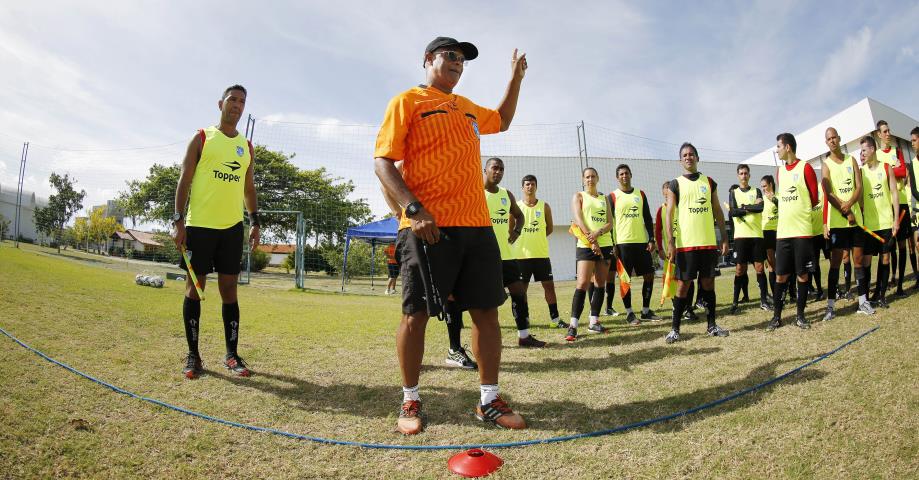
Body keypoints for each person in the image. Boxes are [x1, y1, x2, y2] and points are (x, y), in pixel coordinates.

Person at [374, 36, 528, 434]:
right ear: (429, 59)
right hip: (427, 228)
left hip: (476, 227)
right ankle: (410, 398)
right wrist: (413, 210)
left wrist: (515, 79)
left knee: (486, 313)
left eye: (462, 59)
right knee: (416, 315)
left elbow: (502, 120)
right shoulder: (407, 101)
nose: (458, 62)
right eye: (451, 55)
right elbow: (383, 162)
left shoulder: (467, 107)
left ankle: (489, 400)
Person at [172, 84, 260, 379]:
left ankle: (232, 355)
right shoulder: (202, 138)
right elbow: (184, 180)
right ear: (220, 104)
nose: (237, 105)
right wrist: (177, 220)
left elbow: (249, 189)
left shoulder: (246, 147)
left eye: (242, 101)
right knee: (195, 289)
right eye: (232, 99)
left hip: (232, 229)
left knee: (230, 291)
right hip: (199, 226)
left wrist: (255, 221)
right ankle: (193, 356)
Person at [664, 143, 730, 344]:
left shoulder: (709, 182)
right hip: (686, 245)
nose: (688, 157)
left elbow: (717, 210)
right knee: (683, 286)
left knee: (708, 284)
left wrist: (724, 237)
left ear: (697, 158)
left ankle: (712, 325)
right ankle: (675, 329)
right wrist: (670, 242)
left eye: (691, 154)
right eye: (684, 155)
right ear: (680, 160)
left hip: (708, 243)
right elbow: (669, 214)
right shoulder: (675, 184)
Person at [483, 158, 547, 348]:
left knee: (519, 293)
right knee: (488, 301)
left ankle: (524, 337)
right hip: (485, 257)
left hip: (508, 256)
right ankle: (489, 340)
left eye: (501, 169)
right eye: (494, 168)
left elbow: (519, 216)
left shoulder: (506, 194)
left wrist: (517, 231)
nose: (498, 172)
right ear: (485, 170)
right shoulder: (476, 193)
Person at [768, 133, 820, 331]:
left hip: (802, 232)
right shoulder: (780, 172)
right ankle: (776, 317)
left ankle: (800, 316)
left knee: (802, 275)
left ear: (788, 147)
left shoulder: (805, 167)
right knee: (780, 276)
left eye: (779, 146)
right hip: (783, 233)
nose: (777, 150)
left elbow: (813, 198)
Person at [566, 167, 615, 341]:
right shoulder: (578, 196)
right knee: (582, 283)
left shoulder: (604, 198)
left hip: (605, 243)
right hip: (586, 245)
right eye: (587, 177)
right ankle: (573, 326)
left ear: (598, 178)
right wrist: (591, 240)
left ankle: (594, 321)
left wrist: (598, 233)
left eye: (593, 176)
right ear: (583, 179)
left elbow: (609, 223)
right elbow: (578, 219)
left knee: (600, 283)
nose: (590, 179)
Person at [820, 127, 863, 320]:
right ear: (826, 142)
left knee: (858, 261)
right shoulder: (826, 165)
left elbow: (859, 186)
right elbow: (829, 194)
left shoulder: (851, 160)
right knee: (835, 264)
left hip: (856, 221)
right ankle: (830, 307)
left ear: (839, 138)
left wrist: (851, 205)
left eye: (834, 137)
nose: (832, 141)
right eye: (829, 139)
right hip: (838, 222)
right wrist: (846, 212)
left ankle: (863, 302)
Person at [514, 174, 568, 328]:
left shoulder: (544, 206)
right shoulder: (516, 207)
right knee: (522, 290)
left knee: (549, 286)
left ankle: (555, 320)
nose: (530, 187)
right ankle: (525, 319)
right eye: (527, 184)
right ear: (522, 187)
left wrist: (536, 238)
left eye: (532, 184)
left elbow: (549, 228)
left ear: (536, 186)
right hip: (522, 256)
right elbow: (511, 229)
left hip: (541, 255)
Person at [609, 164, 659, 325]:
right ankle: (630, 313)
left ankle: (645, 311)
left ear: (631, 175)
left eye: (626, 173)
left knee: (649, 275)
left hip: (641, 243)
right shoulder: (612, 196)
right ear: (617, 178)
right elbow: (609, 223)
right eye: (621, 174)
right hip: (623, 244)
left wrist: (651, 239)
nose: (624, 176)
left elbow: (647, 217)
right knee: (625, 279)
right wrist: (613, 244)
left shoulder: (640, 194)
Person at [858, 135, 900, 309]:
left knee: (885, 258)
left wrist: (896, 220)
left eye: (864, 150)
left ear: (872, 149)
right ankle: (866, 297)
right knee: (866, 261)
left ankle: (881, 295)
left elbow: (894, 193)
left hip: (886, 223)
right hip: (869, 226)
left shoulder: (886, 167)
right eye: (861, 151)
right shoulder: (861, 172)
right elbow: (860, 198)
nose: (862, 154)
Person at [876, 120, 916, 296]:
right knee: (888, 247)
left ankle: (900, 286)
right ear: (878, 134)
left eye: (889, 130)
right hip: (887, 205)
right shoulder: (877, 155)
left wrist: (892, 170)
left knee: (903, 245)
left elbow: (903, 172)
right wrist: (894, 169)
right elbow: (883, 176)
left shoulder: (897, 151)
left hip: (902, 203)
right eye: (884, 131)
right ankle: (888, 280)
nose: (888, 134)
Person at [727, 164, 768, 313]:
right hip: (741, 236)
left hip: (756, 235)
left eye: (746, 173)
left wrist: (743, 207)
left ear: (749, 175)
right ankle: (735, 303)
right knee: (739, 269)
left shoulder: (756, 191)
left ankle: (764, 301)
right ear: (738, 176)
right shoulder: (734, 192)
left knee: (759, 268)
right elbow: (733, 212)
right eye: (741, 173)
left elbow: (760, 208)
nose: (744, 176)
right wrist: (750, 207)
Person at [761, 175, 779, 300]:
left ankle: (792, 293)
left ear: (771, 184)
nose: (763, 189)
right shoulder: (761, 200)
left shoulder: (779, 197)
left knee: (784, 264)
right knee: (772, 266)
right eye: (761, 186)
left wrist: (774, 199)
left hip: (780, 232)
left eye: (765, 186)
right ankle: (775, 294)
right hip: (766, 233)